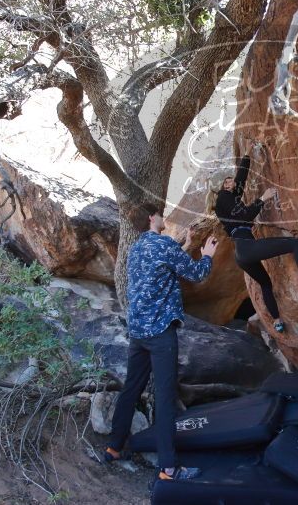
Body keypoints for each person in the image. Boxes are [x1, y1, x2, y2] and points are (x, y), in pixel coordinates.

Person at [104, 202, 218, 481]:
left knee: (131, 388)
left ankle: (113, 447)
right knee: (166, 397)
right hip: (160, 333)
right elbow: (196, 274)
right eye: (160, 214)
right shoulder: (163, 244)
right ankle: (168, 468)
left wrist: (188, 243)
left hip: (139, 332)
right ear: (151, 217)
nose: (163, 217)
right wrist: (207, 255)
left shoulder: (138, 249)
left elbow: (162, 268)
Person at [206, 143, 298, 333]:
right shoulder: (223, 199)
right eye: (229, 179)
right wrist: (263, 198)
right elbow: (245, 215)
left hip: (242, 253)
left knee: (266, 284)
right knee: (294, 243)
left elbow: (241, 178)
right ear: (224, 184)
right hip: (246, 247)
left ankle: (277, 322)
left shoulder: (228, 198)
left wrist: (247, 153)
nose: (233, 180)